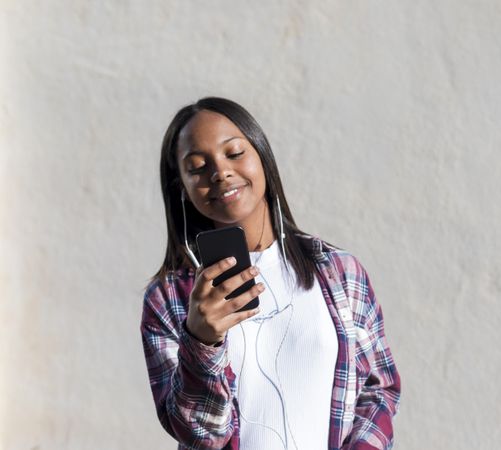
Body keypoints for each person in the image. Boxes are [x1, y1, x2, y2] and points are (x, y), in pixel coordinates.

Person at [140, 97, 401, 450]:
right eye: (198, 167)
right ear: (182, 189)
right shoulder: (169, 299)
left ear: (262, 156)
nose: (220, 172)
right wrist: (201, 342)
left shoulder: (341, 272)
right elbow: (201, 436)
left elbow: (377, 391)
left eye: (234, 153)